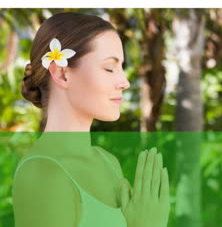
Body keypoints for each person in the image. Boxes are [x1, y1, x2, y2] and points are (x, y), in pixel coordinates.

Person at [11, 12, 170, 227]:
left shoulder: (106, 162)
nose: (124, 82)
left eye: (121, 67)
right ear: (62, 74)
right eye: (109, 68)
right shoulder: (42, 174)